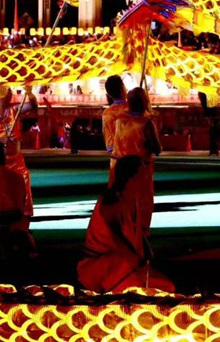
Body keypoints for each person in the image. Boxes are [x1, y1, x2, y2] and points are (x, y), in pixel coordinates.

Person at [77, 155, 175, 294]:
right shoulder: (113, 199)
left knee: (166, 287)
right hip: (104, 266)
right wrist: (132, 257)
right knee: (143, 291)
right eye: (143, 174)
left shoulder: (132, 199)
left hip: (126, 265)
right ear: (132, 177)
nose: (147, 178)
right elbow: (114, 232)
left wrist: (144, 249)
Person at [0, 83, 38, 221]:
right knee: (0, 191)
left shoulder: (13, 110)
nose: (11, 94)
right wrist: (1, 139)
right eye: (8, 91)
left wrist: (30, 94)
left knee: (23, 183)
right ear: (0, 94)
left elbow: (33, 106)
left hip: (16, 160)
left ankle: (24, 216)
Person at [109, 87, 162, 235]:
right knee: (141, 203)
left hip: (119, 167)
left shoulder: (119, 120)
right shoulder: (145, 122)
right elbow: (157, 149)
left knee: (123, 201)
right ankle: (140, 235)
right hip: (139, 170)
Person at [101, 74, 128, 168]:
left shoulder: (106, 113)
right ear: (122, 88)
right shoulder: (131, 108)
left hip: (115, 156)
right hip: (132, 154)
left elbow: (106, 135)